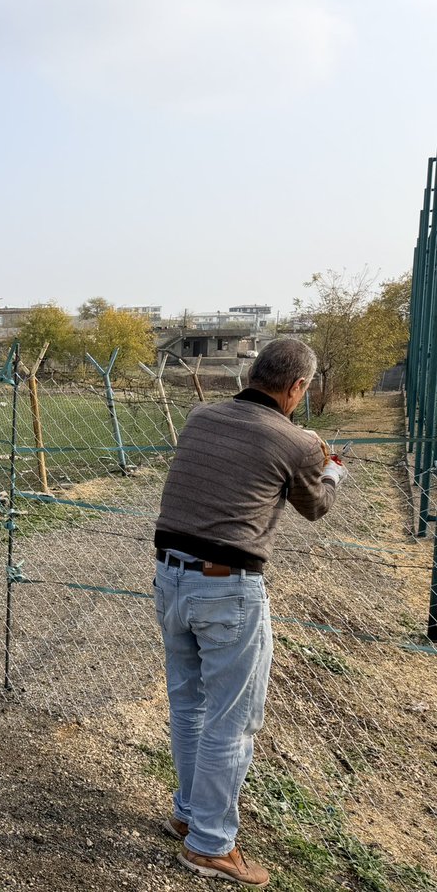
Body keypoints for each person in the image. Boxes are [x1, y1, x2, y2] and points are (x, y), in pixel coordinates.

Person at [152, 338, 346, 888]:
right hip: (227, 588)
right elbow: (316, 508)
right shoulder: (299, 441)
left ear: (253, 372)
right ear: (297, 387)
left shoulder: (200, 417)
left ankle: (189, 814)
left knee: (189, 704)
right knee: (232, 721)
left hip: (170, 578)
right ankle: (211, 844)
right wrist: (331, 469)